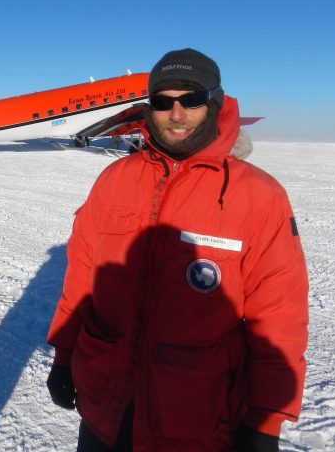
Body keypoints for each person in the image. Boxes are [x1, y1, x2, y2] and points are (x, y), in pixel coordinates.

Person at [46, 49, 308, 452]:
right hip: (106, 408)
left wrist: (265, 421)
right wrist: (64, 355)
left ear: (215, 103)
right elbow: (82, 276)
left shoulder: (260, 196)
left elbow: (279, 316)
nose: (177, 113)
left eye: (192, 99)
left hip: (196, 418)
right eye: (163, 102)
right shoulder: (114, 179)